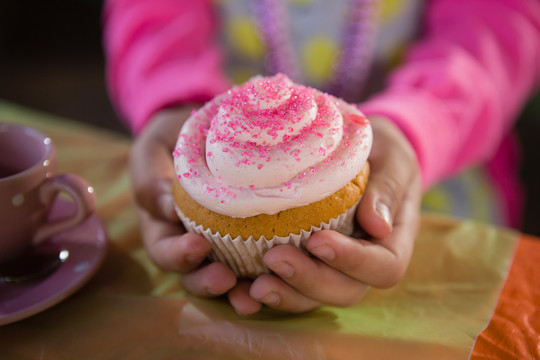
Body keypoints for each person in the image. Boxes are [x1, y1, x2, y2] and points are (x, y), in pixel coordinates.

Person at [103, 0, 540, 315]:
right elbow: (150, 14)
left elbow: (496, 27)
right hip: (216, 158)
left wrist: (417, 124)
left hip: (436, 166)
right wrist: (173, 101)